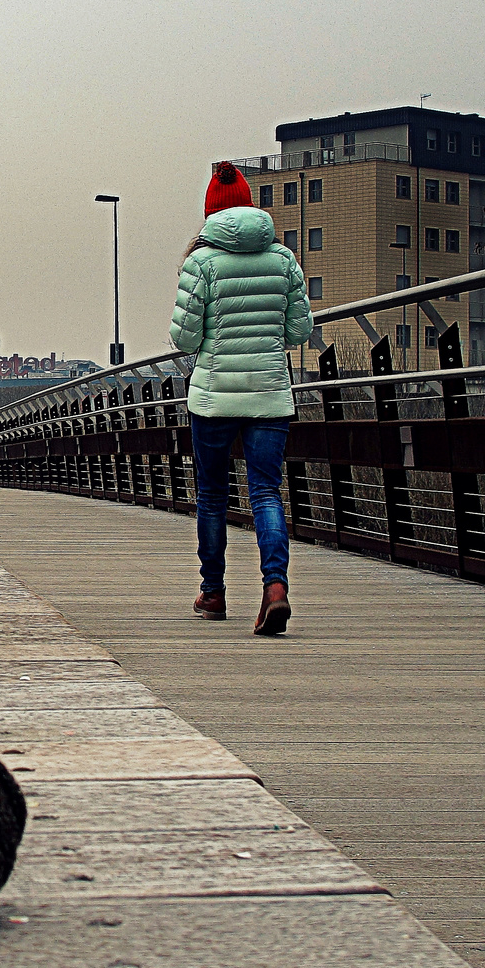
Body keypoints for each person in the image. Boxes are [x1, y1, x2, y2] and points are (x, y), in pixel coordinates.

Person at [170, 161, 314, 635]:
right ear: (252, 206)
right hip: (270, 396)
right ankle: (275, 587)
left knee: (213, 496)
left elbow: (186, 340)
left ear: (210, 212)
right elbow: (299, 330)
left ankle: (213, 593)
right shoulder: (284, 259)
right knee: (266, 493)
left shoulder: (202, 263)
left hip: (214, 397)